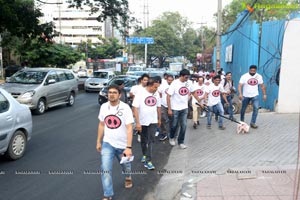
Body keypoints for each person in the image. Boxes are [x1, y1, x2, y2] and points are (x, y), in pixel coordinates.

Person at [96, 84, 134, 200]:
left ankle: (128, 176)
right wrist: (98, 141)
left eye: (114, 92)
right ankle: (108, 195)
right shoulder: (103, 107)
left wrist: (128, 147)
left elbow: (129, 128)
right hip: (108, 143)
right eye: (110, 92)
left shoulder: (125, 108)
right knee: (105, 169)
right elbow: (102, 124)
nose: (111, 94)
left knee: (126, 166)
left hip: (123, 145)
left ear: (119, 95)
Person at [167, 69, 203, 149]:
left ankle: (181, 142)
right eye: (186, 77)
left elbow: (194, 93)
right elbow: (168, 96)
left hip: (184, 108)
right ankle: (172, 137)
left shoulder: (189, 83)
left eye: (188, 77)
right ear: (181, 76)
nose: (187, 79)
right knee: (174, 125)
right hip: (175, 108)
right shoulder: (174, 83)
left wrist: (200, 102)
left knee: (184, 125)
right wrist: (169, 109)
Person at [132, 77, 161, 170]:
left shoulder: (156, 94)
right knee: (144, 140)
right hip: (142, 121)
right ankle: (144, 154)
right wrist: (137, 123)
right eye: (155, 87)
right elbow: (135, 108)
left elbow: (158, 107)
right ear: (150, 85)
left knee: (151, 140)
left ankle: (148, 161)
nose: (156, 89)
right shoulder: (140, 93)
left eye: (157, 87)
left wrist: (159, 119)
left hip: (153, 121)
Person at [158, 74, 174, 141]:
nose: (170, 81)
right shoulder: (162, 86)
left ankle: (171, 133)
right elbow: (159, 94)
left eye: (171, 80)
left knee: (172, 120)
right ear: (166, 80)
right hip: (163, 105)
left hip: (173, 105)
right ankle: (164, 133)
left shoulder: (175, 86)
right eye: (169, 80)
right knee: (163, 119)